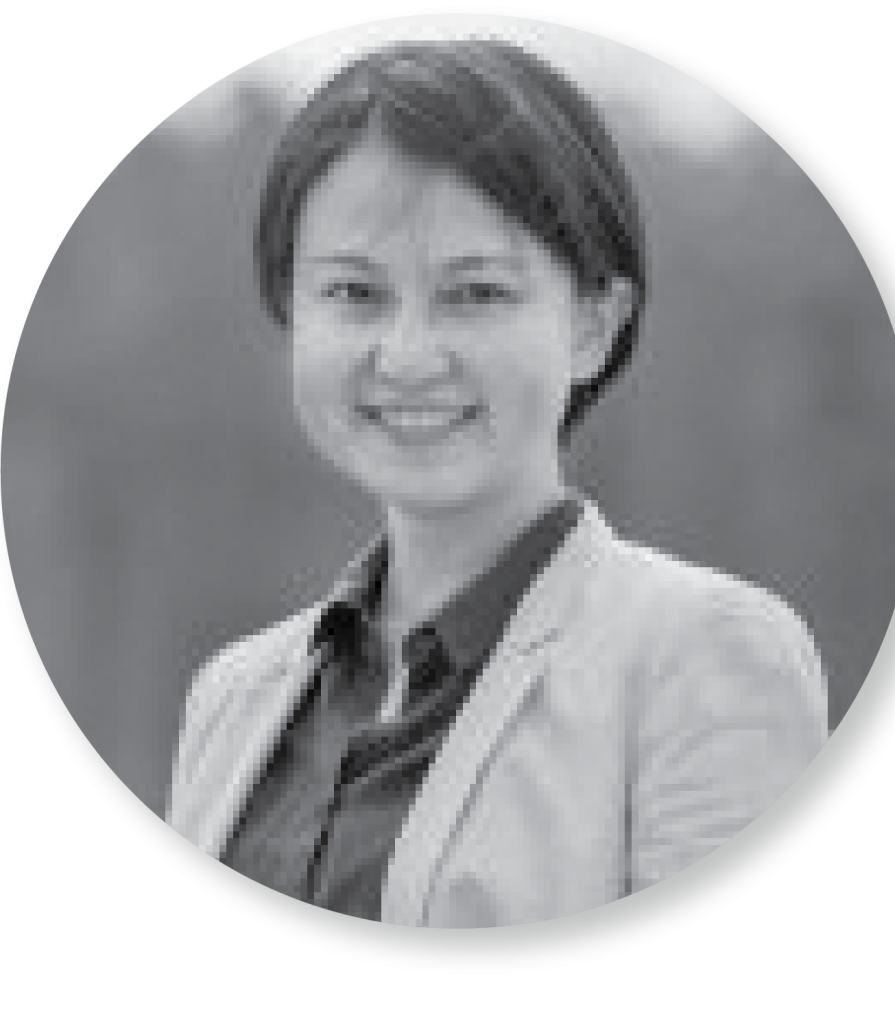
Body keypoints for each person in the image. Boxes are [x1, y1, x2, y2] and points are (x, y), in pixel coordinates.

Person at [166, 36, 829, 928]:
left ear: (593, 325)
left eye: (475, 293)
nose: (407, 357)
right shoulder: (232, 697)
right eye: (354, 293)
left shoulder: (704, 657)